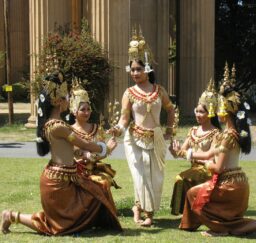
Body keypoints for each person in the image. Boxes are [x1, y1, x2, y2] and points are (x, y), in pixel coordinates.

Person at [173, 64, 256, 239]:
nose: (216, 110)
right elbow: (209, 154)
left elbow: (217, 167)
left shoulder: (227, 136)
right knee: (234, 227)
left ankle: (218, 228)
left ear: (224, 112)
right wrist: (186, 154)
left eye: (218, 106)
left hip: (229, 186)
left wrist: (203, 163)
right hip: (238, 183)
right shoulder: (233, 134)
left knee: (192, 194)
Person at [0, 72, 122, 235]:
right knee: (56, 227)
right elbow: (83, 143)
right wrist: (105, 148)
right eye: (65, 98)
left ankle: (11, 216)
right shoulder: (58, 126)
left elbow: (73, 149)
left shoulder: (58, 125)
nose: (67, 101)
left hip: (66, 177)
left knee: (95, 192)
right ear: (57, 101)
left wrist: (85, 154)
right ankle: (11, 216)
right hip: (57, 181)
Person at [109, 27, 175, 226]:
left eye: (139, 69)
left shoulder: (159, 90)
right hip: (134, 139)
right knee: (140, 176)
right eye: (132, 69)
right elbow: (124, 118)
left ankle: (138, 207)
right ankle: (148, 215)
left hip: (156, 138)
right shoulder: (128, 93)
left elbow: (171, 110)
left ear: (147, 69)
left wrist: (169, 131)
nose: (135, 73)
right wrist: (117, 130)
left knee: (155, 178)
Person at [168, 79, 220, 215]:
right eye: (196, 111)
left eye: (201, 112)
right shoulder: (193, 130)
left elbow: (212, 156)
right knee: (180, 178)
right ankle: (184, 211)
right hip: (194, 169)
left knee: (182, 178)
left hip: (207, 171)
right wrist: (174, 150)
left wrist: (188, 154)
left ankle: (190, 211)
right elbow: (181, 152)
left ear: (210, 113)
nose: (197, 114)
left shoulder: (215, 133)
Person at [69, 79, 121, 213]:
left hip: (93, 170)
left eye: (88, 109)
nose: (87, 112)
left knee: (103, 181)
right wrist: (106, 149)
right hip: (76, 172)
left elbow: (100, 154)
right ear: (74, 111)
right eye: (83, 110)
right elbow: (74, 154)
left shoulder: (97, 129)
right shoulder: (68, 131)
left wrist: (107, 149)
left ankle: (102, 213)